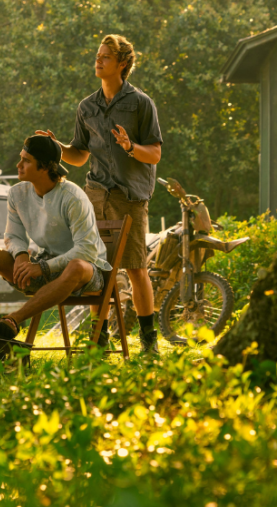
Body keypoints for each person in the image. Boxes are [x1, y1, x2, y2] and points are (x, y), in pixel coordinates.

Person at [37, 34, 163, 354]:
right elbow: (79, 155)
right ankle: (99, 340)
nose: (98, 60)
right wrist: (57, 148)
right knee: (97, 268)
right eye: (97, 55)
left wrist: (130, 147)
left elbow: (155, 154)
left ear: (122, 63)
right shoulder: (87, 106)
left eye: (105, 56)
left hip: (129, 198)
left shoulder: (140, 104)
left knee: (135, 268)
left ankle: (149, 343)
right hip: (94, 195)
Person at [0, 135, 111, 340]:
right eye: (21, 158)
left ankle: (13, 320)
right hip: (42, 267)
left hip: (84, 275)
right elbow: (13, 235)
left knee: (76, 265)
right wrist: (21, 255)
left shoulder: (72, 197)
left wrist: (42, 267)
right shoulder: (17, 194)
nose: (18, 165)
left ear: (46, 167)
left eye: (26, 160)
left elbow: (86, 251)